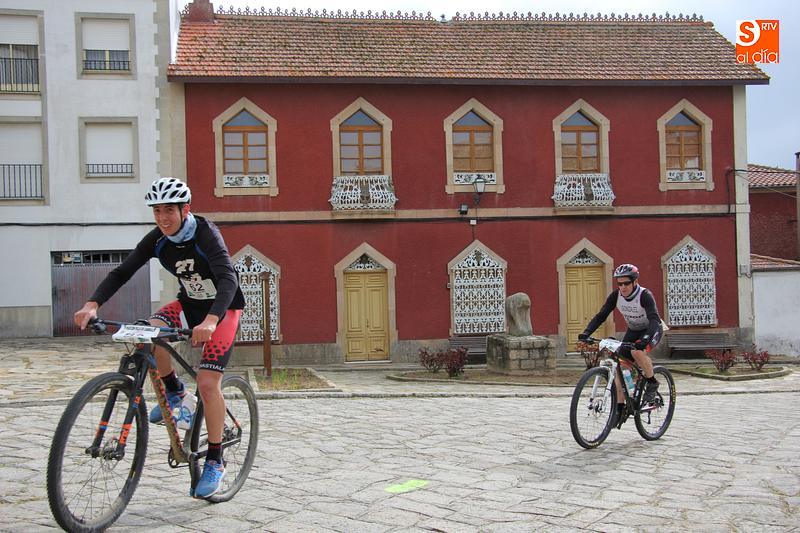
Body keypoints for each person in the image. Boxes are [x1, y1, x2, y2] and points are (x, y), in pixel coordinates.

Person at [74, 177, 245, 499]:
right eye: (157, 211)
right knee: (148, 332)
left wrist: (211, 320)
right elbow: (123, 271)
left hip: (222, 311)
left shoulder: (205, 234)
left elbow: (227, 279)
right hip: (188, 306)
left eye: (169, 210)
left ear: (185, 210)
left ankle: (215, 459)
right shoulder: (158, 239)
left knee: (208, 383)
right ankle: (176, 393)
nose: (163, 218)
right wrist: (92, 304)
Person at [578, 263, 663, 420]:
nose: (622, 287)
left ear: (635, 282)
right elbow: (601, 315)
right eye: (620, 284)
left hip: (652, 329)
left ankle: (652, 382)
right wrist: (586, 332)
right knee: (620, 368)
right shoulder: (616, 296)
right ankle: (620, 409)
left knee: (637, 352)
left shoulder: (644, 295)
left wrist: (644, 340)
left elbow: (654, 319)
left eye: (626, 283)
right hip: (634, 330)